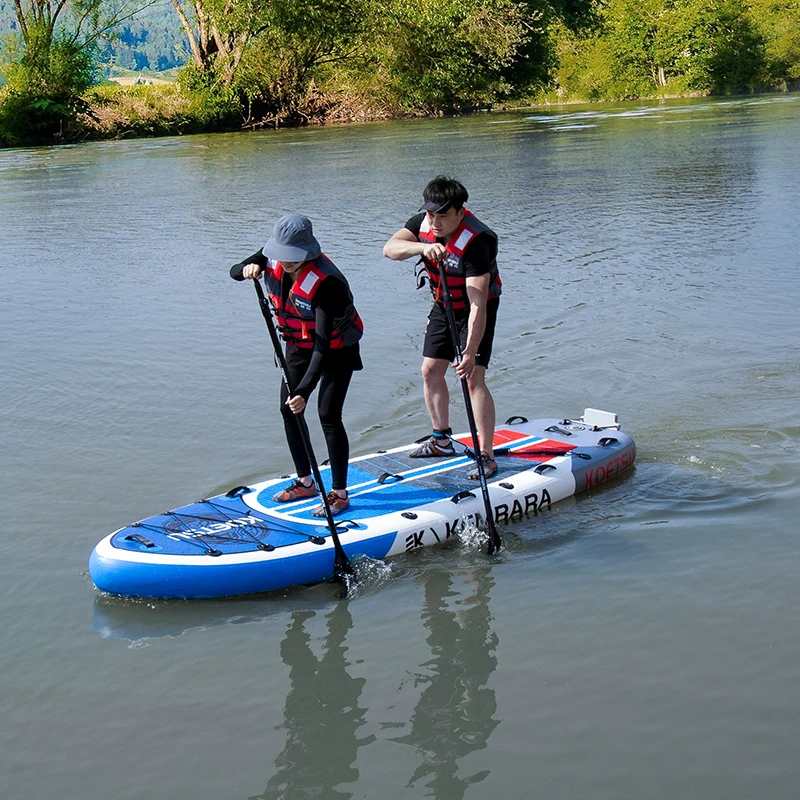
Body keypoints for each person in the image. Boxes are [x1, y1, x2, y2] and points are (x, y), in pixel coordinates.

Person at [231, 213, 363, 516]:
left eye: (293, 258)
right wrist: (246, 269)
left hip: (336, 349)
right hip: (298, 346)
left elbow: (322, 346)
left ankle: (340, 493)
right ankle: (305, 482)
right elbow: (234, 271)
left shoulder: (326, 283)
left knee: (328, 414)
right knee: (287, 410)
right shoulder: (272, 257)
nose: (285, 262)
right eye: (282, 256)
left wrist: (304, 390)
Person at [383, 176, 502, 479]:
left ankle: (486, 455)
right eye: (431, 214)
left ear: (461, 212)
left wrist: (470, 351)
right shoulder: (423, 223)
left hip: (475, 309)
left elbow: (478, 305)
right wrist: (422, 249)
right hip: (442, 302)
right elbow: (390, 249)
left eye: (443, 215)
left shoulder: (478, 242)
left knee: (473, 377)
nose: (434, 222)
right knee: (430, 370)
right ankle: (441, 440)